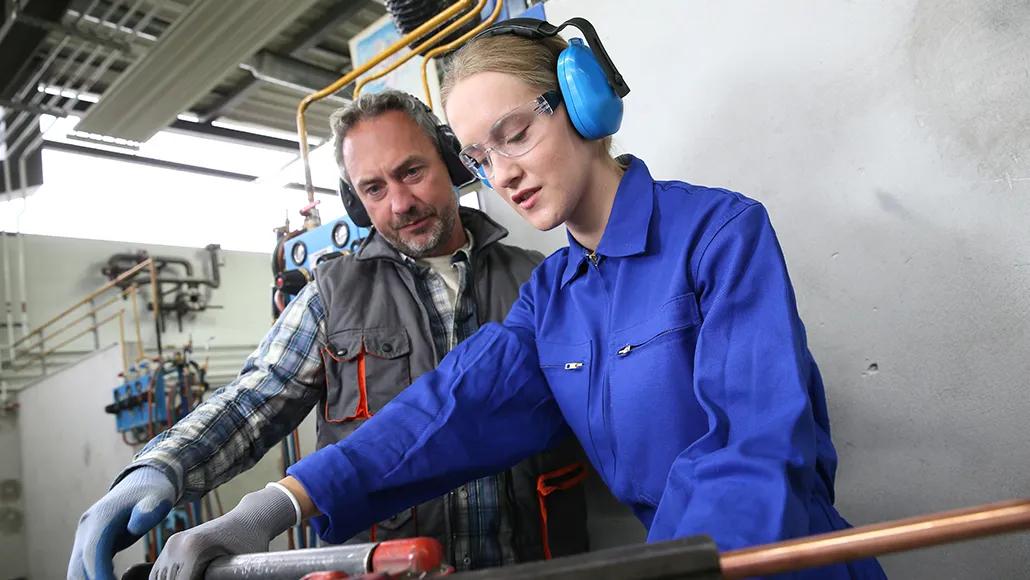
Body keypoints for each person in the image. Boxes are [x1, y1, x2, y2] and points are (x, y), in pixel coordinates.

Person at [148, 18, 887, 579]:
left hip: (779, 561)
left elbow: (752, 451)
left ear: (583, 103)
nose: (501, 174)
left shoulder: (719, 233)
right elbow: (440, 414)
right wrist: (275, 506)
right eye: (480, 157)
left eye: (515, 136)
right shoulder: (553, 297)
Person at [67, 90, 590, 580]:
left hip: (530, 565)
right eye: (374, 189)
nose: (400, 203)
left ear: (453, 164)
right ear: (358, 202)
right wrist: (160, 466)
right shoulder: (331, 295)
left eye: (412, 172)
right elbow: (253, 399)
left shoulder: (537, 280)